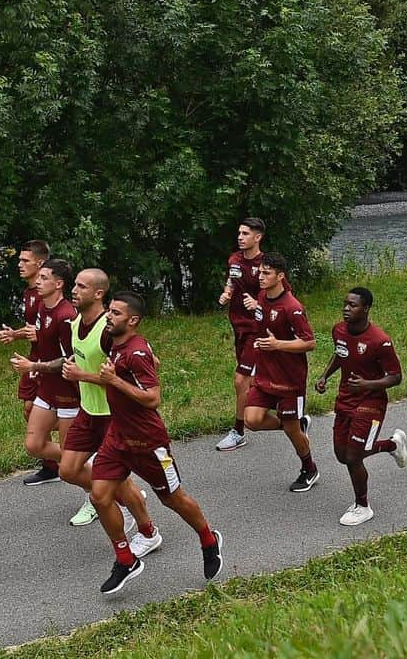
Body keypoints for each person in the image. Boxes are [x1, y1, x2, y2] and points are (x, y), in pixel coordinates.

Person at [14, 267, 161, 559]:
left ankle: (148, 532)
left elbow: (147, 360)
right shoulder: (77, 321)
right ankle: (119, 502)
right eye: (75, 285)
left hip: (112, 415)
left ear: (98, 293)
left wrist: (93, 377)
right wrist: (38, 368)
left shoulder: (108, 329)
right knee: (68, 470)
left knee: (119, 480)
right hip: (88, 410)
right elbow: (70, 360)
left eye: (81, 286)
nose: (74, 290)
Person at [90, 290, 224, 595]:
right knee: (99, 496)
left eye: (116, 313)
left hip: (148, 442)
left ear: (133, 320)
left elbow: (153, 398)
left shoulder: (136, 352)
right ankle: (125, 559)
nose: (109, 317)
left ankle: (208, 539)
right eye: (108, 311)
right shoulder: (113, 341)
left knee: (172, 499)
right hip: (117, 437)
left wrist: (115, 381)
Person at [315, 287, 407, 526]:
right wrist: (326, 376)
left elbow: (396, 377)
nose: (347, 309)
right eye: (345, 304)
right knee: (342, 455)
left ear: (365, 309)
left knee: (354, 456)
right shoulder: (338, 330)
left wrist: (367, 384)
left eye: (353, 305)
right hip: (345, 399)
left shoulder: (380, 341)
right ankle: (392, 444)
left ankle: (362, 506)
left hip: (371, 403)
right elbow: (340, 354)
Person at [243, 252, 319, 492]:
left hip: (289, 380)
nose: (260, 276)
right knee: (252, 420)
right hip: (266, 375)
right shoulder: (263, 297)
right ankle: (296, 424)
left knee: (291, 430)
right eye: (260, 272)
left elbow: (309, 342)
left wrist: (278, 345)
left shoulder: (292, 308)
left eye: (266, 273)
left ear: (280, 276)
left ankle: (309, 468)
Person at [9, 259, 79, 480]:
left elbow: (71, 359)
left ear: (58, 284)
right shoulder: (42, 306)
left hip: (69, 394)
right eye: (38, 277)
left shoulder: (66, 316)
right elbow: (42, 340)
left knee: (71, 467)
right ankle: (91, 461)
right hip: (47, 388)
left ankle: (95, 494)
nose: (37, 282)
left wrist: (33, 366)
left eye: (43, 278)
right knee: (33, 445)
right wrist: (18, 335)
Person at [0, 240, 56, 485]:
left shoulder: (48, 294)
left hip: (49, 362)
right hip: (34, 358)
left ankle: (74, 460)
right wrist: (16, 334)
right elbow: (35, 328)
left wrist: (29, 334)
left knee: (55, 415)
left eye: (25, 261)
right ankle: (52, 465)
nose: (19, 265)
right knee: (28, 408)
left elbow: (52, 327)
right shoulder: (30, 293)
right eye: (19, 260)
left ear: (40, 263)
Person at [215, 217, 266, 451]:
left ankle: (238, 431)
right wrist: (227, 292)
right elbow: (232, 279)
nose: (240, 237)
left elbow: (281, 296)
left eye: (245, 234)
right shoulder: (234, 259)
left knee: (240, 380)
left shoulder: (266, 265)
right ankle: (293, 418)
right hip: (238, 327)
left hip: (257, 329)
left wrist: (258, 305)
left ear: (257, 237)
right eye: (239, 233)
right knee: (255, 379)